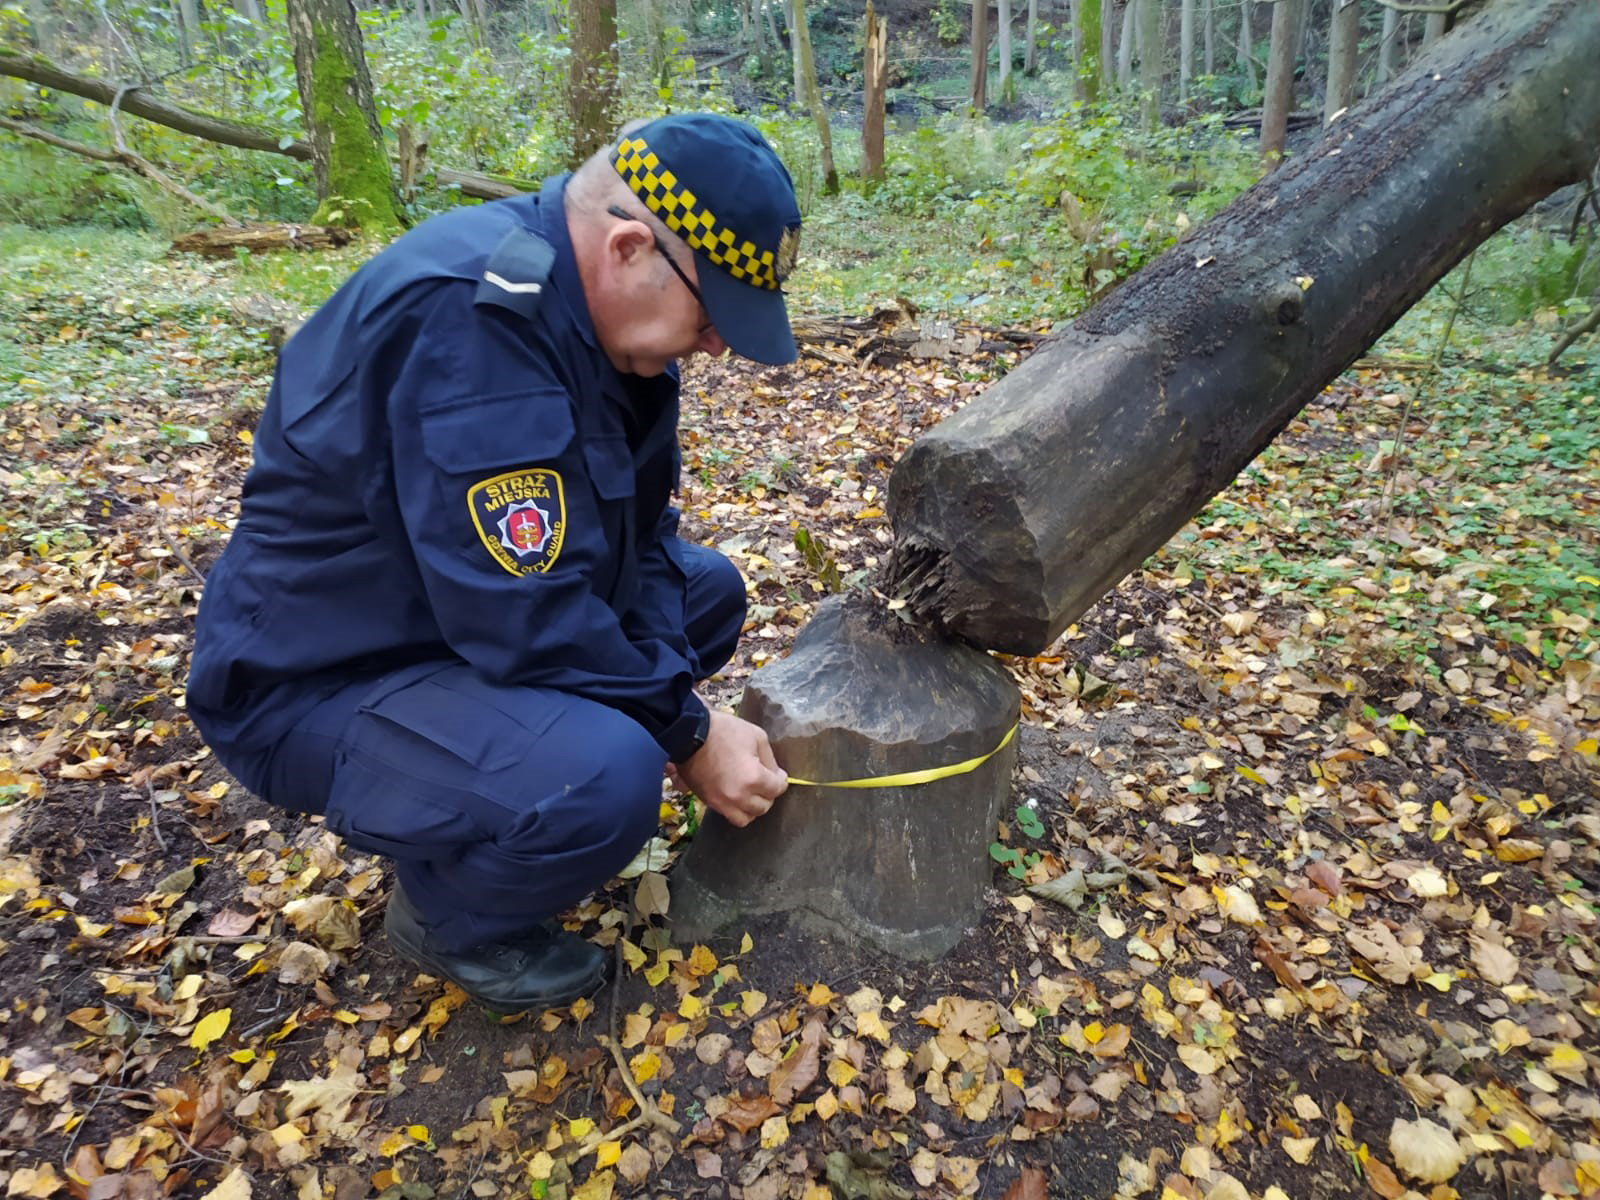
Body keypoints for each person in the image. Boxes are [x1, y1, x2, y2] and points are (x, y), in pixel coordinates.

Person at [187, 114, 796, 1015]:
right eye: (711, 315)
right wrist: (689, 733)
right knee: (605, 774)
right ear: (630, 247)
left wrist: (671, 702)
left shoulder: (609, 328)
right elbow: (525, 611)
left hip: (447, 619)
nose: (715, 345)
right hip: (319, 675)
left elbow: (644, 537)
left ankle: (502, 772)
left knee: (704, 593)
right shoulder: (471, 326)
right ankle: (450, 917)